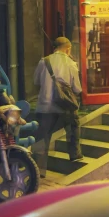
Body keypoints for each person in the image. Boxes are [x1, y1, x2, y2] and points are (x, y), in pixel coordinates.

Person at [33, 36, 83, 177]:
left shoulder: (44, 61)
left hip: (45, 105)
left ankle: (39, 170)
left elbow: (36, 81)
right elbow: (77, 88)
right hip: (64, 106)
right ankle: (75, 155)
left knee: (43, 137)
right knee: (73, 126)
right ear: (68, 48)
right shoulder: (71, 63)